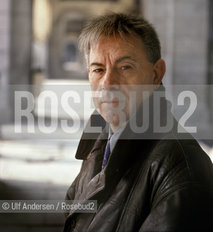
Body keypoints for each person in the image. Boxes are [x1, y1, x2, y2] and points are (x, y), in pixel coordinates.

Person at [63, 13, 213, 232]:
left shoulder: (181, 172)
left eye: (125, 67)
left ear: (155, 74)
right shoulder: (102, 140)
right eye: (98, 69)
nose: (108, 83)